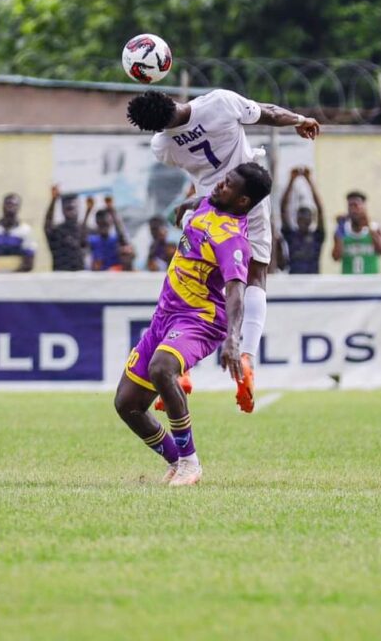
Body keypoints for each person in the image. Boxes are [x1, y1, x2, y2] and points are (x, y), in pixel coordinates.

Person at [126, 88, 320, 412]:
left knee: (194, 284)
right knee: (254, 277)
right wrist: (299, 120)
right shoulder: (219, 103)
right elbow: (268, 111)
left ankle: (183, 369)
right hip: (245, 200)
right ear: (169, 96)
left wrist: (196, 198)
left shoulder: (162, 145)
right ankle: (247, 358)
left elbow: (198, 169)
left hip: (205, 211)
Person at [114, 163, 272, 487]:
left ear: (242, 202)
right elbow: (202, 201)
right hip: (165, 315)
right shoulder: (208, 204)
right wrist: (189, 204)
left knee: (162, 368)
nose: (218, 186)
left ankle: (190, 463)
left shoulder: (232, 239)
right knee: (127, 404)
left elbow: (237, 291)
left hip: (200, 319)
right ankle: (176, 460)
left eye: (227, 185)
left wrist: (233, 340)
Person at [280, 166, 325, 274]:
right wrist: (291, 181)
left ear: (311, 219)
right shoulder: (291, 235)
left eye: (306, 216)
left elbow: (320, 210)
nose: (303, 219)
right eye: (300, 217)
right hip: (294, 283)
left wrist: (309, 181)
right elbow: (283, 208)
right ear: (296, 219)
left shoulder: (317, 236)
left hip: (314, 283)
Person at [332, 191, 381, 274]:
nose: (353, 209)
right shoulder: (342, 229)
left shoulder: (375, 227)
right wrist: (339, 233)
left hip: (371, 282)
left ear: (364, 207)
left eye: (356, 205)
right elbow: (336, 257)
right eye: (350, 206)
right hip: (348, 282)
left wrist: (369, 226)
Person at [44, 185, 88, 271]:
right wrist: (53, 201)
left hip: (81, 278)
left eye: (73, 207)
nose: (71, 210)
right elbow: (47, 225)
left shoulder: (85, 230)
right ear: (62, 209)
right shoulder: (57, 232)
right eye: (68, 208)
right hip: (61, 278)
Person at [88, 197, 130, 271]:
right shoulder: (93, 240)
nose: (103, 226)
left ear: (110, 223)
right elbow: (81, 241)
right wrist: (88, 211)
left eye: (105, 224)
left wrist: (112, 211)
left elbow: (123, 240)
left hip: (115, 277)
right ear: (97, 224)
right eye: (100, 224)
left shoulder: (115, 240)